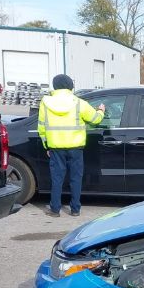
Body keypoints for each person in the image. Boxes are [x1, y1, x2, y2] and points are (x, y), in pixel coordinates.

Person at [37, 74, 105, 217]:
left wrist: (46, 146)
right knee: (75, 178)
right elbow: (95, 119)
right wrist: (101, 110)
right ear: (70, 86)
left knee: (57, 179)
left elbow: (41, 127)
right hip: (75, 148)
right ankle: (75, 209)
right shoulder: (78, 102)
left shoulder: (45, 102)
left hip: (55, 147)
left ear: (54, 86)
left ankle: (55, 209)